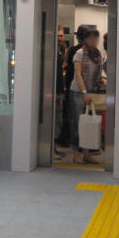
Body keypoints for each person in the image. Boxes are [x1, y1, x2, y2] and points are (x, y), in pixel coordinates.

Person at [70, 28, 107, 163]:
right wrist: (84, 92)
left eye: (96, 38)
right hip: (78, 92)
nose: (94, 41)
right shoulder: (79, 53)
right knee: (78, 123)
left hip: (91, 93)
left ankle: (86, 154)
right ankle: (75, 153)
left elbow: (99, 73)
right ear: (85, 39)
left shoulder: (98, 54)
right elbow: (78, 74)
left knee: (88, 123)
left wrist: (103, 81)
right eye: (91, 38)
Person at [54, 26, 66, 160]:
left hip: (59, 89)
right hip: (54, 90)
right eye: (58, 35)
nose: (60, 38)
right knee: (55, 119)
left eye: (62, 36)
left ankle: (54, 148)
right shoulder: (53, 50)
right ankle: (52, 149)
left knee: (58, 120)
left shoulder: (60, 50)